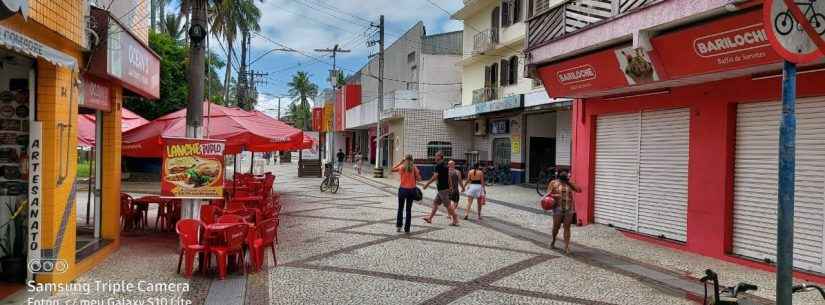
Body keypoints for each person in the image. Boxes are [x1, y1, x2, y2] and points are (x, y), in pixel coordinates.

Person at [547, 170, 581, 255]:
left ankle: (566, 246)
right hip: (557, 209)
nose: (564, 181)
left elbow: (579, 190)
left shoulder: (568, 183)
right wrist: (555, 196)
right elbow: (548, 194)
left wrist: (569, 182)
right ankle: (553, 240)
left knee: (567, 228)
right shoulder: (553, 183)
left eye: (566, 178)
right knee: (556, 227)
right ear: (559, 177)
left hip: (568, 209)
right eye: (563, 179)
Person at [422, 152, 459, 226]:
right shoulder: (445, 165)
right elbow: (448, 176)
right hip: (442, 189)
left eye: (436, 156)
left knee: (448, 206)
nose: (435, 158)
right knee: (435, 203)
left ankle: (455, 218)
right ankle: (430, 218)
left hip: (443, 189)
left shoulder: (438, 166)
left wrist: (427, 184)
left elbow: (435, 176)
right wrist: (451, 186)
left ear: (439, 157)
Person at [391, 155, 420, 233]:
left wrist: (400, 162)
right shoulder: (414, 167)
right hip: (412, 190)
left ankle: (399, 226)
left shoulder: (402, 167)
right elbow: (419, 179)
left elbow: (392, 169)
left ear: (405, 160)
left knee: (400, 208)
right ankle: (407, 229)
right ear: (412, 160)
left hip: (403, 189)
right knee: (408, 210)